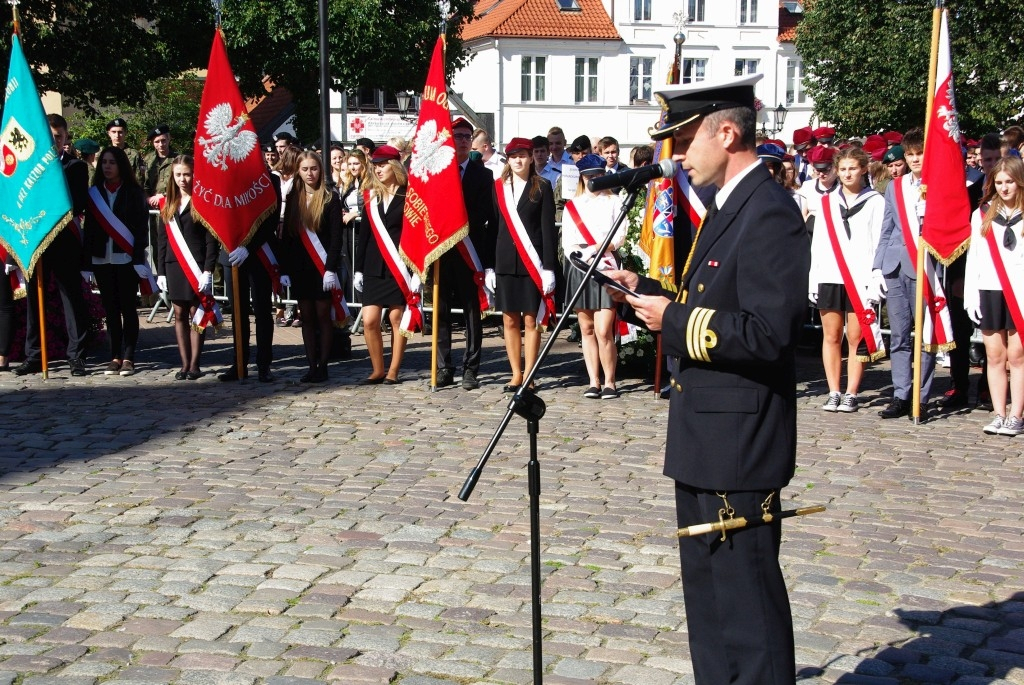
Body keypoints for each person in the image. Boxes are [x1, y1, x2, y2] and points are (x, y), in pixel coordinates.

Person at [602, 73, 808, 685]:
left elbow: (768, 333)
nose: (677, 154)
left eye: (685, 137)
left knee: (746, 602)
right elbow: (715, 299)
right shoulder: (727, 205)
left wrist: (676, 318)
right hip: (705, 436)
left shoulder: (769, 210)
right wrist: (648, 294)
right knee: (710, 603)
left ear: (727, 131)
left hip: (741, 442)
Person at [872, 127, 948, 418]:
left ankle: (922, 396)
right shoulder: (896, 186)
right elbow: (887, 227)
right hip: (894, 265)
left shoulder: (938, 184)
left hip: (925, 265)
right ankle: (901, 393)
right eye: (911, 154)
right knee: (901, 336)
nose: (915, 160)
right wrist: (877, 267)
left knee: (925, 335)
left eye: (920, 154)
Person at [13, 114, 93, 377]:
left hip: (64, 240)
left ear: (65, 138)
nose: (54, 141)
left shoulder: (75, 167)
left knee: (70, 297)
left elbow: (79, 202)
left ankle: (76, 356)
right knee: (34, 299)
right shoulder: (30, 168)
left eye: (58, 137)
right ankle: (34, 355)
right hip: (36, 240)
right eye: (49, 136)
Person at [809, 147, 885, 413]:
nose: (847, 173)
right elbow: (818, 243)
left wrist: (877, 276)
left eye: (852, 168)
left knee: (855, 336)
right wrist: (813, 277)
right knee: (831, 336)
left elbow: (879, 243)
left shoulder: (876, 201)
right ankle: (833, 390)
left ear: (863, 169)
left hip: (860, 277)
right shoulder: (827, 202)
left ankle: (852, 391)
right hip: (830, 274)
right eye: (842, 169)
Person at [487, 137, 557, 393]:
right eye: (513, 156)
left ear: (531, 158)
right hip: (505, 262)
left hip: (533, 263)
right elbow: (492, 228)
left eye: (523, 155)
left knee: (531, 321)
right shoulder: (498, 187)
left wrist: (549, 267)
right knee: (509, 321)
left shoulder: (543, 187)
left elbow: (549, 230)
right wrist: (488, 267)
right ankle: (515, 373)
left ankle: (529, 374)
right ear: (508, 159)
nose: (518, 160)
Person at [435, 118, 497, 390]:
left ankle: (470, 368)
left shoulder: (482, 175)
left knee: (473, 312)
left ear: (471, 141)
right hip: (442, 252)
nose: (461, 140)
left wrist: (458, 223)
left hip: (470, 249)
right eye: (456, 135)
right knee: (441, 312)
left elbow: (487, 214)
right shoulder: (437, 172)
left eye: (465, 136)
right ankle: (443, 367)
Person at [964, 156, 1024, 435]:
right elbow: (974, 258)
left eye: (1009, 182)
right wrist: (971, 295)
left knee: (1018, 356)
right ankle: (999, 413)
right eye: (999, 182)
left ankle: (1016, 414)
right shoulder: (982, 214)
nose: (1004, 188)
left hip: (1019, 292)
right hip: (990, 289)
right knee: (995, 354)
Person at [561, 153, 624, 399]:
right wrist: (580, 257)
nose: (594, 180)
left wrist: (597, 249)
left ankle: (610, 381)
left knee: (603, 329)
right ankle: (593, 381)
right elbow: (567, 242)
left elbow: (619, 238)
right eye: (590, 176)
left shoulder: (615, 202)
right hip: (580, 268)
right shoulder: (572, 206)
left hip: (607, 266)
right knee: (586, 328)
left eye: (598, 175)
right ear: (582, 178)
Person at [84, 146, 151, 376]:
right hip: (102, 260)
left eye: (112, 162)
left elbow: (141, 229)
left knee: (128, 308)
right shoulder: (94, 193)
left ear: (121, 165)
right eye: (104, 162)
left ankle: (129, 356)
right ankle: (115, 356)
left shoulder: (133, 192)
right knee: (110, 310)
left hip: (126, 260)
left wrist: (139, 259)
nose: (107, 167)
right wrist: (86, 264)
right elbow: (90, 229)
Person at [354, 145, 417, 384]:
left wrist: (417, 271)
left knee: (396, 319)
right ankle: (377, 369)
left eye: (382, 165)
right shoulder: (371, 196)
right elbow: (365, 236)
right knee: (370, 319)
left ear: (395, 165)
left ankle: (393, 370)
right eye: (375, 166)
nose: (378, 170)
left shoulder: (409, 195)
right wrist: (359, 268)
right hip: (373, 266)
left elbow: (415, 233)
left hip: (399, 266)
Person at [280, 151, 345, 383]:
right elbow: (287, 235)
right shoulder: (293, 196)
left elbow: (336, 237)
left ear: (321, 170)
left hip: (322, 266)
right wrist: (284, 269)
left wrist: (330, 268)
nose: (310, 173)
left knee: (322, 316)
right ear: (298, 170)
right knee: (306, 316)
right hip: (301, 267)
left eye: (314, 169)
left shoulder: (329, 197)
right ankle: (311, 365)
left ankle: (323, 365)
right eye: (305, 169)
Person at [156, 155, 219, 380]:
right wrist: (161, 271)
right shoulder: (168, 203)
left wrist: (208, 269)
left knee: (196, 312)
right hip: (174, 264)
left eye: (187, 174)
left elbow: (211, 238)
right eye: (178, 174)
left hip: (197, 264)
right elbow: (161, 240)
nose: (183, 179)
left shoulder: (202, 200)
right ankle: (183, 364)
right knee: (179, 313)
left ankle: (195, 363)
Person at [216, 173, 283, 383]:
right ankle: (239, 363)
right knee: (237, 311)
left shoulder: (270, 180)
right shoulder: (225, 178)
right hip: (232, 252)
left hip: (259, 253)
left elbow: (272, 217)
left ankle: (264, 365)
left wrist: (249, 247)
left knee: (262, 310)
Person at [144, 124, 177, 209]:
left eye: (163, 140)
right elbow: (144, 183)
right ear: (152, 143)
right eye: (157, 142)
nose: (161, 144)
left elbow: (181, 184)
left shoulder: (178, 160)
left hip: (170, 205)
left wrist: (163, 196)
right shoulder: (148, 160)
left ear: (169, 139)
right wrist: (148, 198)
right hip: (151, 206)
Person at [105, 117, 147, 184]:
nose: (117, 135)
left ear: (125, 133)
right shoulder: (105, 154)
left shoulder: (134, 154)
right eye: (113, 132)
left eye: (120, 132)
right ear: (109, 134)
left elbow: (139, 179)